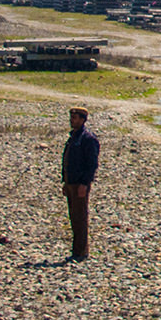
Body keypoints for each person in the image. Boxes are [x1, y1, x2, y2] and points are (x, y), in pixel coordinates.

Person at [61, 106, 100, 261]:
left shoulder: (88, 139)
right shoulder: (73, 138)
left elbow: (92, 164)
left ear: (83, 120)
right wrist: (65, 181)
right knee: (73, 216)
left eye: (75, 118)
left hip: (80, 184)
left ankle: (81, 251)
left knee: (80, 217)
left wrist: (85, 183)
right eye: (71, 118)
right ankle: (76, 250)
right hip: (71, 182)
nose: (72, 121)